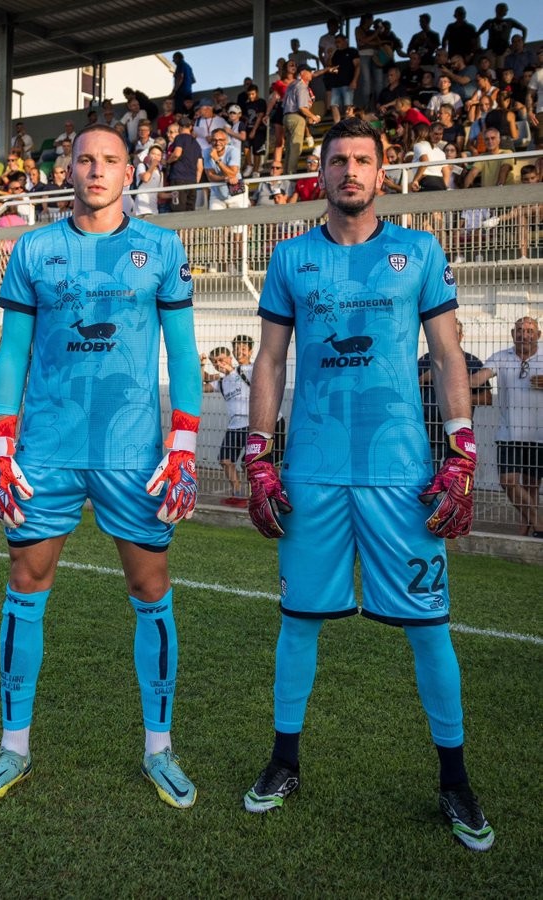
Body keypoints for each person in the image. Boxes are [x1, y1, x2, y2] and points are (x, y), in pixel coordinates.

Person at [241, 117, 494, 852]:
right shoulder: (291, 258)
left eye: (363, 161)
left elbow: (448, 357)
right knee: (299, 621)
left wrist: (461, 446)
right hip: (314, 470)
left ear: (382, 175)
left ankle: (455, 781)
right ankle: (284, 762)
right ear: (318, 175)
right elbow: (269, 361)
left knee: (428, 627)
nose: (350, 171)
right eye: (337, 160)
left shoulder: (417, 251)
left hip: (400, 473)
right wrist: (260, 452)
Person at [0, 124, 201, 809]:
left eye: (110, 161)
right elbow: (10, 354)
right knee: (25, 580)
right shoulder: (36, 248)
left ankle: (160, 749)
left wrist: (183, 445)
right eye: (85, 159)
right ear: (66, 168)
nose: (96, 171)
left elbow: (184, 353)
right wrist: (0, 449)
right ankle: (14, 747)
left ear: (131, 172)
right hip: (45, 450)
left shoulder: (161, 246)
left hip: (135, 454)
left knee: (151, 586)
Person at [469, 317, 543, 537]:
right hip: (509, 433)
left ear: (538, 335)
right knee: (508, 481)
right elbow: (478, 378)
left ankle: (527, 528)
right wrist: (454, 378)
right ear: (513, 334)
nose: (524, 334)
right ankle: (539, 524)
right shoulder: (501, 357)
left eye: (530, 330)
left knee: (531, 485)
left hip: (539, 434)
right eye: (520, 330)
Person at [418, 319, 492, 465]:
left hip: (458, 429)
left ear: (460, 336)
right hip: (427, 430)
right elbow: (408, 391)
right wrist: (425, 378)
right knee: (429, 475)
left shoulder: (472, 361)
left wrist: (458, 398)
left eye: (453, 333)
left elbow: (487, 399)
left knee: (457, 473)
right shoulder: (424, 361)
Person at [202, 335, 253, 506]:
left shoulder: (246, 370)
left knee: (249, 464)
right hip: (234, 427)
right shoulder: (222, 381)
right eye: (215, 362)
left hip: (251, 424)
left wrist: (229, 370)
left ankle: (255, 496)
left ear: (230, 358)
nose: (218, 364)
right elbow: (204, 384)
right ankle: (238, 493)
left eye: (221, 360)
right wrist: (201, 366)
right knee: (225, 460)